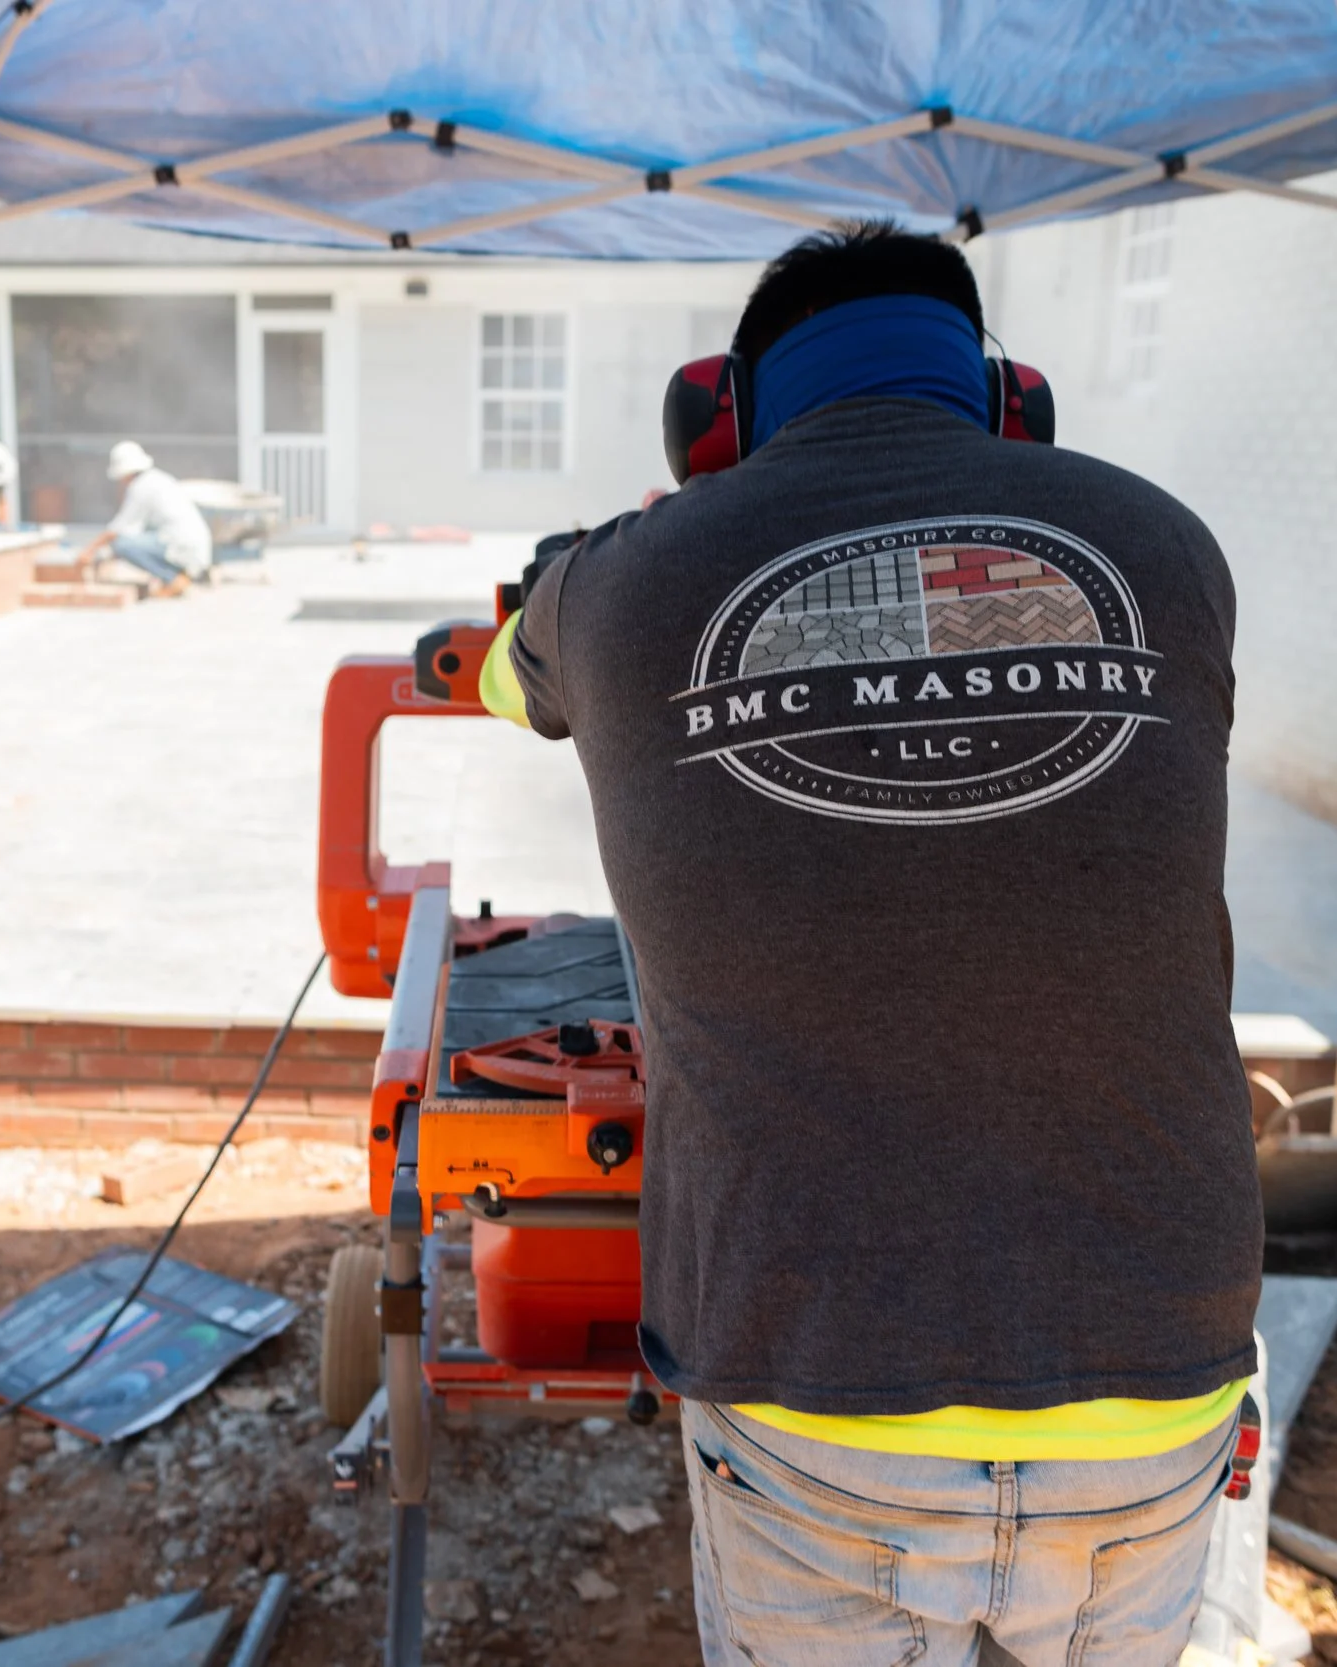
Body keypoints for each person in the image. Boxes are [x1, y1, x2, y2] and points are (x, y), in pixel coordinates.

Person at [479, 223, 1261, 1666]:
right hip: (1159, 1358)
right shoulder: (1165, 543)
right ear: (1004, 392)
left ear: (725, 415)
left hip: (814, 1370)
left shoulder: (623, 583)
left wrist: (585, 591)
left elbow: (501, 663)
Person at [80, 440, 212, 597]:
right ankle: (179, 575)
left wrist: (87, 552)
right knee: (130, 542)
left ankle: (172, 579)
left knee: (122, 545)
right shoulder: (157, 479)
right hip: (192, 545)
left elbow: (117, 530)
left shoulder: (141, 487)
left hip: (183, 546)